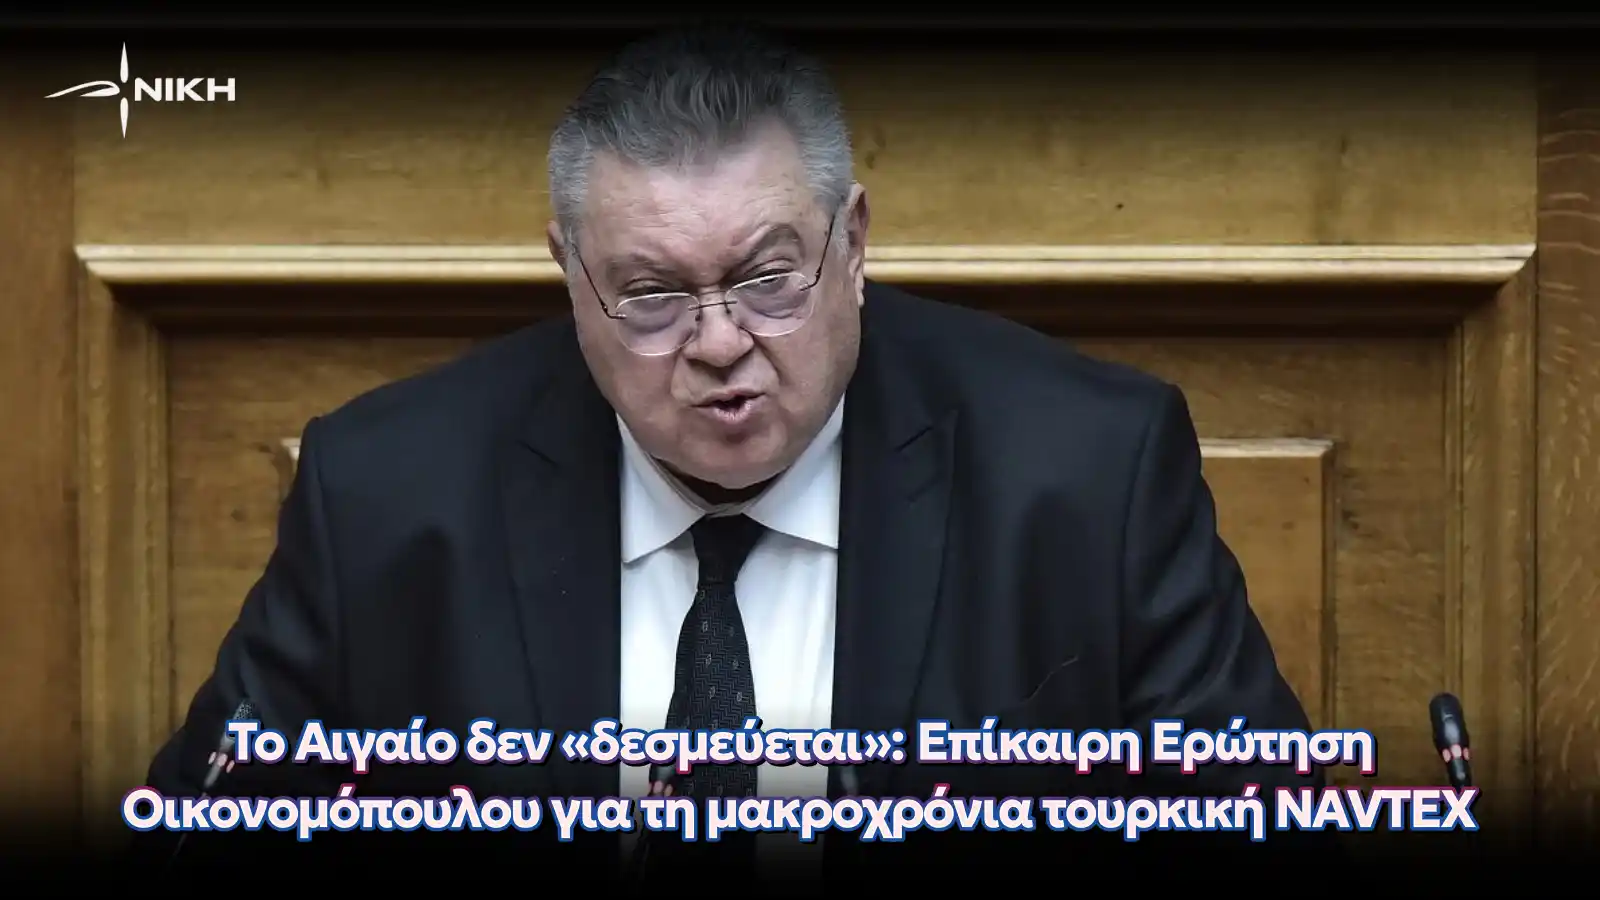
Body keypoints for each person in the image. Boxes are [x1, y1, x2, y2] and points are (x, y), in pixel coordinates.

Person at [139, 23, 1321, 883]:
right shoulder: (388, 494)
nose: (718, 345)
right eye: (651, 296)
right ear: (571, 275)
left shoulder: (1088, 473)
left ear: (853, 243)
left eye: (768, 279)